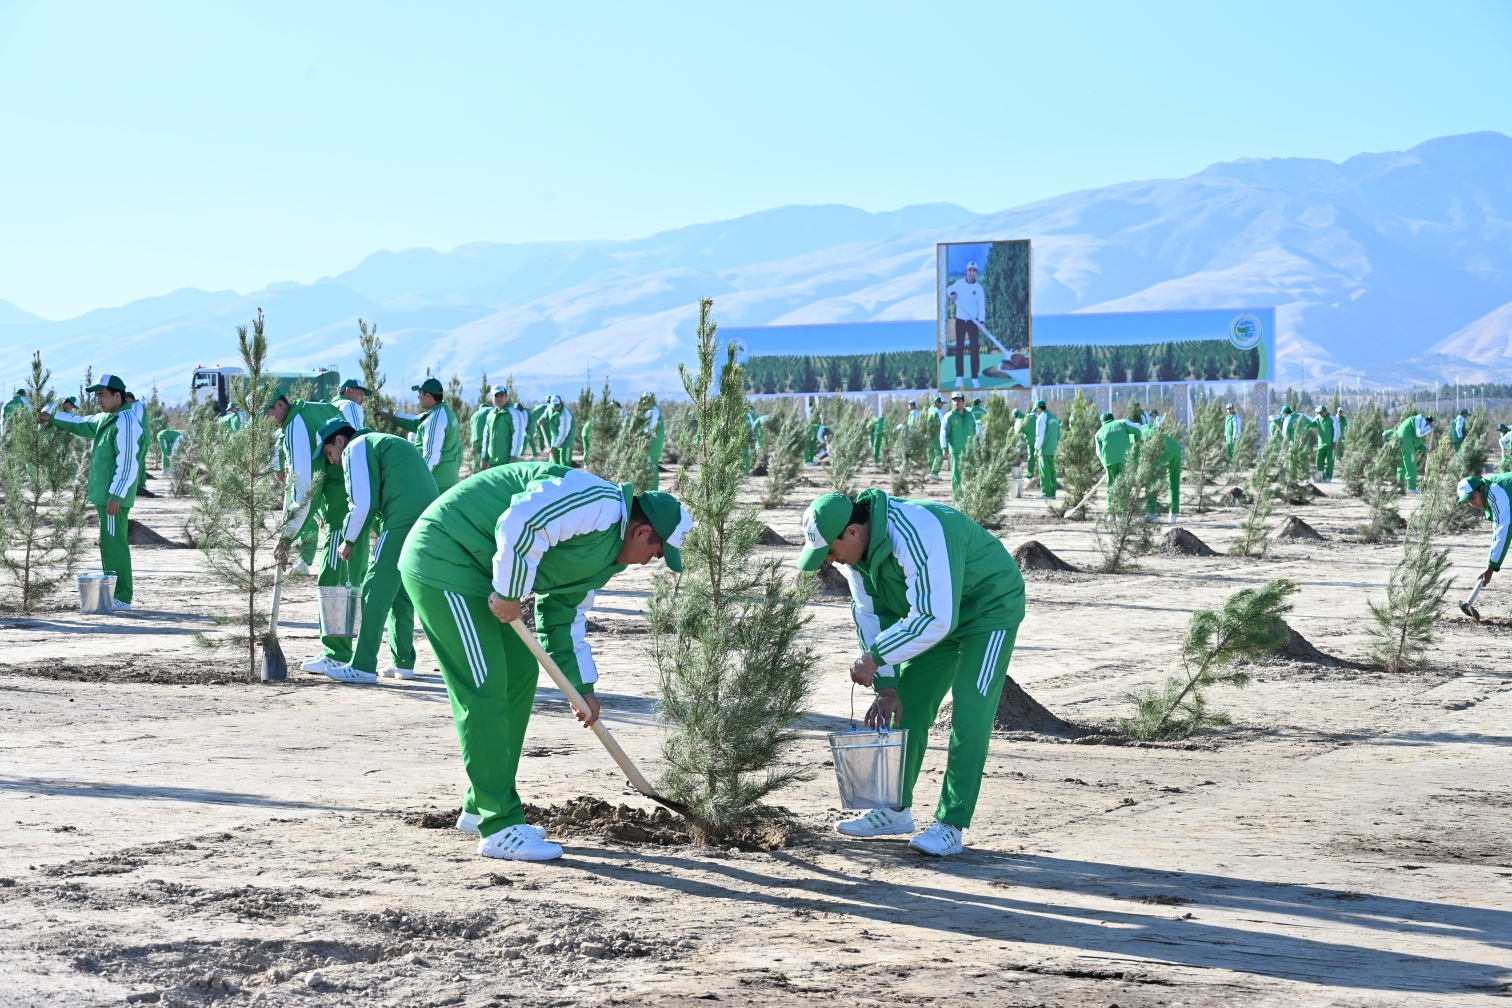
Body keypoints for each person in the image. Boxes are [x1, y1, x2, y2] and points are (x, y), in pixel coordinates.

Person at [397, 464, 692, 861]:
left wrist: (581, 688)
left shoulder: (607, 560)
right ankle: (500, 825)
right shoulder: (598, 504)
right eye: (655, 553)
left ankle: (479, 804)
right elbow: (523, 520)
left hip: (486, 575)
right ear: (641, 532)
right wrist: (510, 592)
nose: (649, 562)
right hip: (446, 556)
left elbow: (562, 616)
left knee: (519, 672)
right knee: (483, 684)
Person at [796, 488, 1025, 857]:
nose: (830, 561)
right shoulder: (858, 560)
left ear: (852, 532)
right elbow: (871, 617)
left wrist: (875, 657)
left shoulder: (916, 529)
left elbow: (935, 617)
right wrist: (886, 686)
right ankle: (894, 810)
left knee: (970, 714)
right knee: (907, 706)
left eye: (830, 551)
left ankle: (951, 824)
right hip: (937, 616)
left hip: (988, 608)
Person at [316, 419, 439, 682]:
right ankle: (402, 661)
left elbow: (363, 503)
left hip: (403, 518)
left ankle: (362, 665)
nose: (332, 461)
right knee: (400, 592)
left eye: (328, 452)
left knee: (374, 587)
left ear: (340, 440)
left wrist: (348, 540)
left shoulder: (356, 447)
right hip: (426, 519)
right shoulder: (380, 442)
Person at [40, 374, 141, 611]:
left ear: (118, 396)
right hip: (107, 495)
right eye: (97, 396)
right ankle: (113, 594)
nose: (99, 400)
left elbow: (128, 462)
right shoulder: (106, 418)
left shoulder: (126, 421)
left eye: (103, 395)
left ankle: (122, 597)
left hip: (114, 497)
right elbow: (80, 423)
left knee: (114, 545)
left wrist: (116, 495)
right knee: (108, 543)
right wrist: (51, 418)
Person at [267, 394, 344, 578]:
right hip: (356, 490)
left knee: (333, 574)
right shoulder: (316, 409)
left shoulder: (296, 428)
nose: (263, 423)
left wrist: (285, 540)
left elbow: (307, 495)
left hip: (340, 500)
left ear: (280, 405)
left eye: (264, 415)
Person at [388, 377, 462, 492]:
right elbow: (415, 421)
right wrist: (390, 416)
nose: (418, 397)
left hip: (436, 484)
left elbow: (430, 456)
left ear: (428, 396)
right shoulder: (446, 412)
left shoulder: (435, 420)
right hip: (447, 479)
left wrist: (418, 481)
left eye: (419, 393)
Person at [1457, 476, 1512, 591]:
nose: (1472, 503)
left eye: (1473, 498)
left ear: (1481, 488)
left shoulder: (1496, 493)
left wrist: (1491, 567)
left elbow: (1502, 529)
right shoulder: (1491, 490)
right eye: (1468, 501)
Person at [945, 260, 987, 389]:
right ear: (966, 271)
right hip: (960, 321)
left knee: (974, 349)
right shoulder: (958, 284)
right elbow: (949, 289)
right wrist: (952, 294)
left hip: (973, 322)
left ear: (976, 273)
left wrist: (981, 322)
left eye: (974, 271)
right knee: (959, 349)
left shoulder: (979, 289)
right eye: (970, 270)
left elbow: (981, 307)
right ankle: (959, 377)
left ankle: (975, 378)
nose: (971, 273)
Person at [1142, 420, 1183, 523]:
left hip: (1161, 448)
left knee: (1151, 479)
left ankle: (1151, 513)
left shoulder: (1137, 433)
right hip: (1175, 447)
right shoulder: (1151, 430)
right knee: (1174, 480)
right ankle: (1173, 514)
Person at [482, 385, 529, 467]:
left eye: (502, 395)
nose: (499, 398)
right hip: (492, 462)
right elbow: (486, 438)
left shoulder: (514, 414)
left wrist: (513, 457)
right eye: (496, 396)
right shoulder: (490, 415)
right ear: (492, 398)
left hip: (507, 462)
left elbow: (518, 437)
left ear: (506, 397)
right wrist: (484, 459)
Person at [941, 392, 976, 499]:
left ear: (963, 402)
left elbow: (976, 431)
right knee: (956, 475)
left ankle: (970, 498)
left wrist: (978, 446)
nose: (956, 402)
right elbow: (943, 433)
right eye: (954, 400)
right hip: (956, 451)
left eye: (959, 400)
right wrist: (944, 448)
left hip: (970, 451)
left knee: (971, 474)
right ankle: (957, 498)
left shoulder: (970, 415)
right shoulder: (949, 416)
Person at [1095, 410, 1142, 486]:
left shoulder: (1098, 433)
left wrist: (1105, 464)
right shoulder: (1122, 423)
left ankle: (1111, 494)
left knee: (1111, 486)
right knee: (1124, 485)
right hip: (1125, 459)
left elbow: (1099, 453)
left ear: (1102, 421)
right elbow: (1138, 430)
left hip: (1109, 462)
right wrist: (1136, 441)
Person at [1395, 412, 1434, 493]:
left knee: (1401, 467)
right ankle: (1411, 488)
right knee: (1411, 468)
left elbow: (1416, 442)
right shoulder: (1419, 422)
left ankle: (1400, 487)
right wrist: (1430, 427)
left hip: (1398, 444)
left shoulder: (1414, 422)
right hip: (1407, 447)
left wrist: (1425, 449)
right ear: (1429, 422)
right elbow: (1418, 437)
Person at [1032, 400, 1061, 499]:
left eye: (1036, 410)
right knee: (1052, 471)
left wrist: (1036, 449)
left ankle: (1045, 493)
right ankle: (1052, 493)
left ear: (1038, 408)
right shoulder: (1054, 418)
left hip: (1044, 450)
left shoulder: (1041, 418)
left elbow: (1040, 435)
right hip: (1053, 449)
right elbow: (1058, 435)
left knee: (1044, 472)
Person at [539, 394, 574, 466]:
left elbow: (563, 434)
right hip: (555, 439)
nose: (555, 408)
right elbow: (546, 414)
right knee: (553, 463)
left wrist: (554, 447)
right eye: (554, 406)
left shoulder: (565, 415)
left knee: (565, 465)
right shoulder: (550, 408)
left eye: (557, 406)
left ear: (561, 403)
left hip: (566, 442)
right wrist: (542, 419)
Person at [642, 394, 665, 490]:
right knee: (652, 468)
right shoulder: (655, 410)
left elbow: (650, 431)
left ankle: (652, 492)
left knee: (649, 469)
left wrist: (643, 444)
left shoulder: (653, 412)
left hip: (651, 447)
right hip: (654, 447)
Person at [469, 395, 494, 474]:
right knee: (486, 455)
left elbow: (471, 426)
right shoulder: (488, 409)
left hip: (474, 438)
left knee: (476, 456)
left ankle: (475, 472)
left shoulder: (474, 414)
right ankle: (486, 472)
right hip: (484, 437)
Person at [1314, 405, 1338, 482]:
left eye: (1320, 413)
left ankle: (1328, 477)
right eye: (1318, 413)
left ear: (1325, 411)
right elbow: (1311, 423)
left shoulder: (1332, 418)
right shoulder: (1318, 418)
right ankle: (1319, 477)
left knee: (1330, 461)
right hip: (1321, 444)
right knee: (1319, 461)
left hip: (1330, 444)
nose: (1319, 414)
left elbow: (1337, 431)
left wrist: (1334, 442)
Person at [927, 396, 947, 479]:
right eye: (941, 403)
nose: (942, 405)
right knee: (940, 453)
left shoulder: (929, 410)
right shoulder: (938, 411)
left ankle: (929, 470)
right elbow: (943, 425)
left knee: (930, 453)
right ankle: (934, 472)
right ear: (937, 403)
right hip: (936, 435)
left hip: (928, 435)